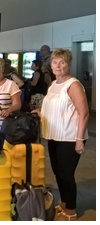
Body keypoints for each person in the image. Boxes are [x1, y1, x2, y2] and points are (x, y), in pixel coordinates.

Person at [34, 49, 89, 221]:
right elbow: (52, 108)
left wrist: (79, 140)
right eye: (55, 62)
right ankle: (64, 203)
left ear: (69, 64)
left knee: (67, 174)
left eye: (62, 62)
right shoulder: (53, 84)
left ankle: (71, 210)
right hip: (54, 136)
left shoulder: (73, 85)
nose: (58, 66)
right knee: (58, 172)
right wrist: (40, 112)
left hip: (70, 137)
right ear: (51, 65)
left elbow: (84, 113)